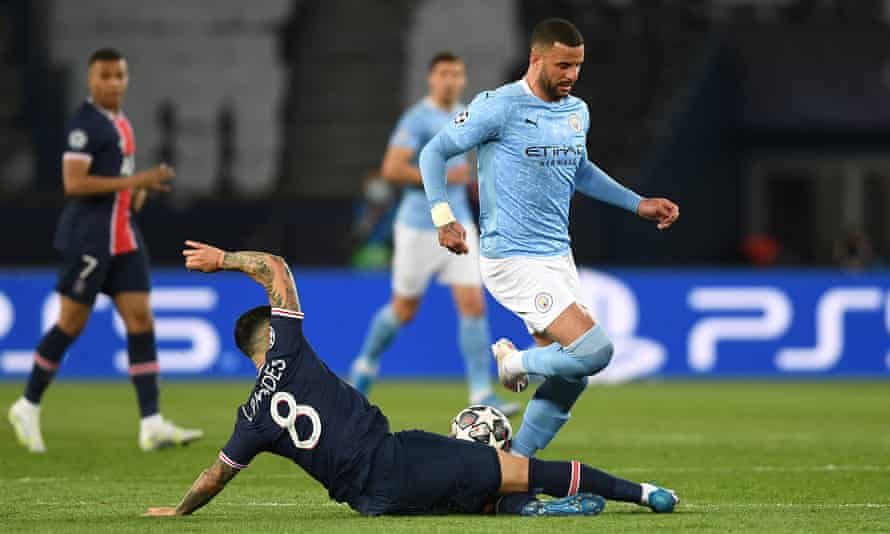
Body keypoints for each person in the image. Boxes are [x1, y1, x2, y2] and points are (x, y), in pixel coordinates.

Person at [142, 240, 678, 518]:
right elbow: (276, 269)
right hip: (396, 457)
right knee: (523, 467)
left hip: (373, 501)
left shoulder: (252, 418)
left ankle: (530, 509)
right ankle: (645, 492)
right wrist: (225, 261)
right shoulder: (290, 349)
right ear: (270, 332)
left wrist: (179, 509)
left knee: (481, 496)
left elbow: (215, 476)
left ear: (246, 354)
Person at [418, 19, 680, 458]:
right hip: (512, 259)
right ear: (536, 59)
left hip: (558, 257)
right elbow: (434, 152)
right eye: (562, 65)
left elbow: (579, 170)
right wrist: (444, 218)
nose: (571, 75)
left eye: (578, 66)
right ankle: (513, 362)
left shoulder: (577, 111)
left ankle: (514, 467)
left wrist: (639, 204)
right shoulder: (499, 106)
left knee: (572, 376)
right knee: (595, 351)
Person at [7, 48, 202, 453]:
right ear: (91, 81)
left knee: (141, 319)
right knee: (71, 324)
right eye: (106, 76)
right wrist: (135, 182)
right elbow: (74, 183)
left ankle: (151, 423)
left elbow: (120, 184)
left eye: (120, 75)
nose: (115, 82)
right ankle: (27, 404)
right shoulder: (84, 124)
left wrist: (138, 191)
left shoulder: (121, 123)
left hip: (123, 237)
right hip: (90, 239)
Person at [348, 52, 517, 416]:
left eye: (456, 73)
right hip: (417, 228)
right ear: (431, 78)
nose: (450, 80)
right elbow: (391, 169)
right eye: (443, 73)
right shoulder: (417, 118)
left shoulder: (467, 116)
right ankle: (365, 365)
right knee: (404, 310)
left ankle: (480, 392)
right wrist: (440, 176)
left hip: (459, 224)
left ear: (463, 79)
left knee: (473, 303)